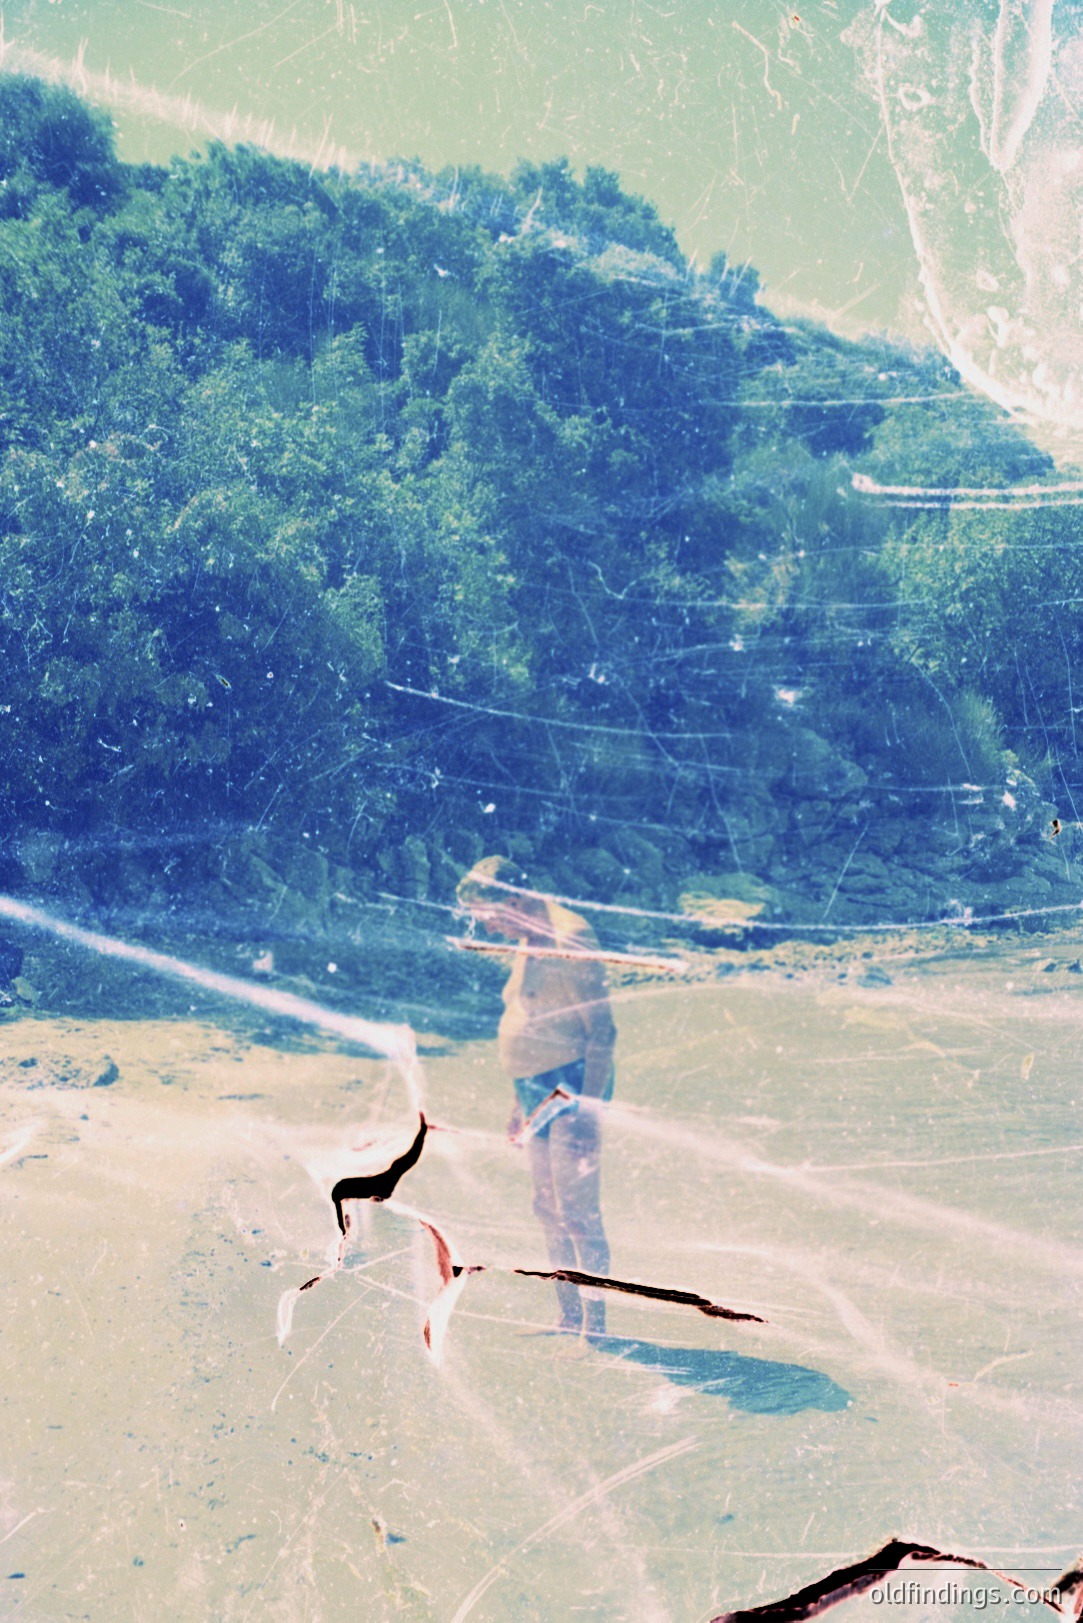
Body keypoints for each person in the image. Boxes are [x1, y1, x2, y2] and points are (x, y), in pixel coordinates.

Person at [456, 856, 615, 1338]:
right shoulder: (529, 937)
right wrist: (516, 1102)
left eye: (489, 915)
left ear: (515, 900)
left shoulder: (571, 939)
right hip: (534, 1090)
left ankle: (596, 1328)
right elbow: (532, 1018)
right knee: (546, 1208)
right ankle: (568, 1317)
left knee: (579, 1215)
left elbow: (602, 1033)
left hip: (571, 1088)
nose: (486, 926)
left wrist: (588, 1113)